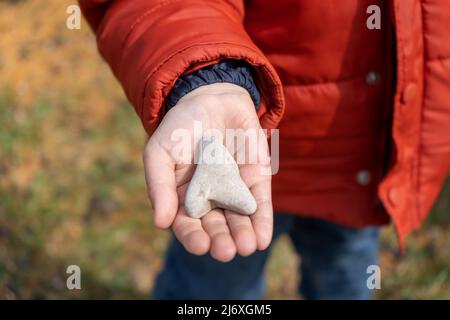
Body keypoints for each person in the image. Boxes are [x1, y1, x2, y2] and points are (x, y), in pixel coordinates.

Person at [79, 0, 450, 299]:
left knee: (345, 282)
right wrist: (205, 75)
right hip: (259, 158)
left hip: (365, 182)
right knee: (212, 290)